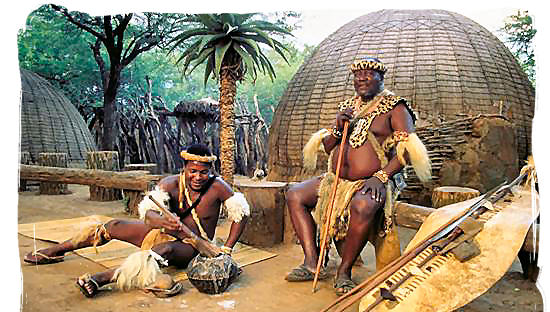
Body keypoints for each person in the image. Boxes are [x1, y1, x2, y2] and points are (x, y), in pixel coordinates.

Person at [285, 57, 431, 295]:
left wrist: (381, 177)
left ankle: (344, 272)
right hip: (336, 180)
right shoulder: (349, 106)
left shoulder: (396, 107)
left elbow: (408, 153)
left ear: (381, 78)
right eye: (357, 76)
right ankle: (313, 262)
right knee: (295, 195)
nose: (361, 79)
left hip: (374, 180)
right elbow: (330, 146)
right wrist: (340, 125)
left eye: (368, 75)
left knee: (363, 205)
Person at [24, 144, 250, 298]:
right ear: (185, 168)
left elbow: (241, 213)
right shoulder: (170, 183)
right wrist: (161, 222)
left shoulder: (218, 186)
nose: (198, 177)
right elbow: (148, 212)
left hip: (191, 247)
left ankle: (102, 279)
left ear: (210, 170)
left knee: (166, 248)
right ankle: (57, 250)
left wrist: (227, 248)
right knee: (113, 226)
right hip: (163, 233)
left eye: (203, 172)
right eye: (193, 171)